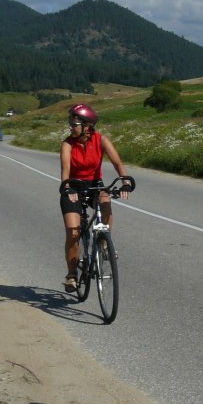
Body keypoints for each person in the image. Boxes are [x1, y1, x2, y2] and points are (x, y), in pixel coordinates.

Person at [59, 103, 131, 293]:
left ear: (87, 125)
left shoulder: (101, 140)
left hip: (94, 184)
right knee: (73, 234)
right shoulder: (67, 144)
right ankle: (72, 275)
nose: (70, 127)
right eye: (70, 123)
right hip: (73, 187)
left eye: (74, 124)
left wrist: (125, 181)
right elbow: (65, 170)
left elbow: (117, 162)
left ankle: (105, 242)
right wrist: (67, 188)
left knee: (105, 199)